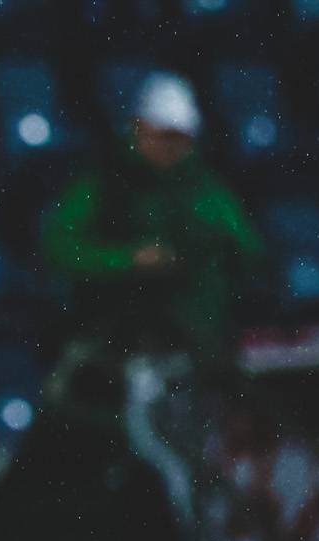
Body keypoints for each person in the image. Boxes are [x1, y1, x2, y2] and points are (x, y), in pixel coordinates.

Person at [42, 71, 265, 379]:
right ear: (139, 128)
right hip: (111, 341)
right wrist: (126, 259)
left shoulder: (207, 190)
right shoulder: (103, 184)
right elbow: (59, 246)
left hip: (194, 340)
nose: (172, 147)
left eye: (181, 138)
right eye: (164, 136)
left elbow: (248, 249)